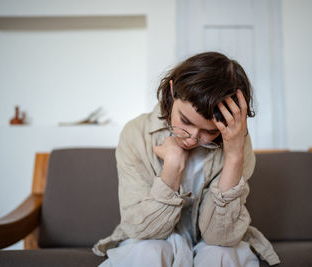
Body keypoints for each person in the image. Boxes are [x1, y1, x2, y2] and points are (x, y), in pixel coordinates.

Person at [92, 52, 280, 267]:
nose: (191, 138)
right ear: (172, 92)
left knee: (220, 255)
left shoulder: (237, 143)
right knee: (150, 252)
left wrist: (234, 156)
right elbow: (142, 231)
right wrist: (172, 167)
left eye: (208, 131)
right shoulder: (136, 133)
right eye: (185, 120)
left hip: (212, 244)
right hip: (151, 240)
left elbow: (220, 238)